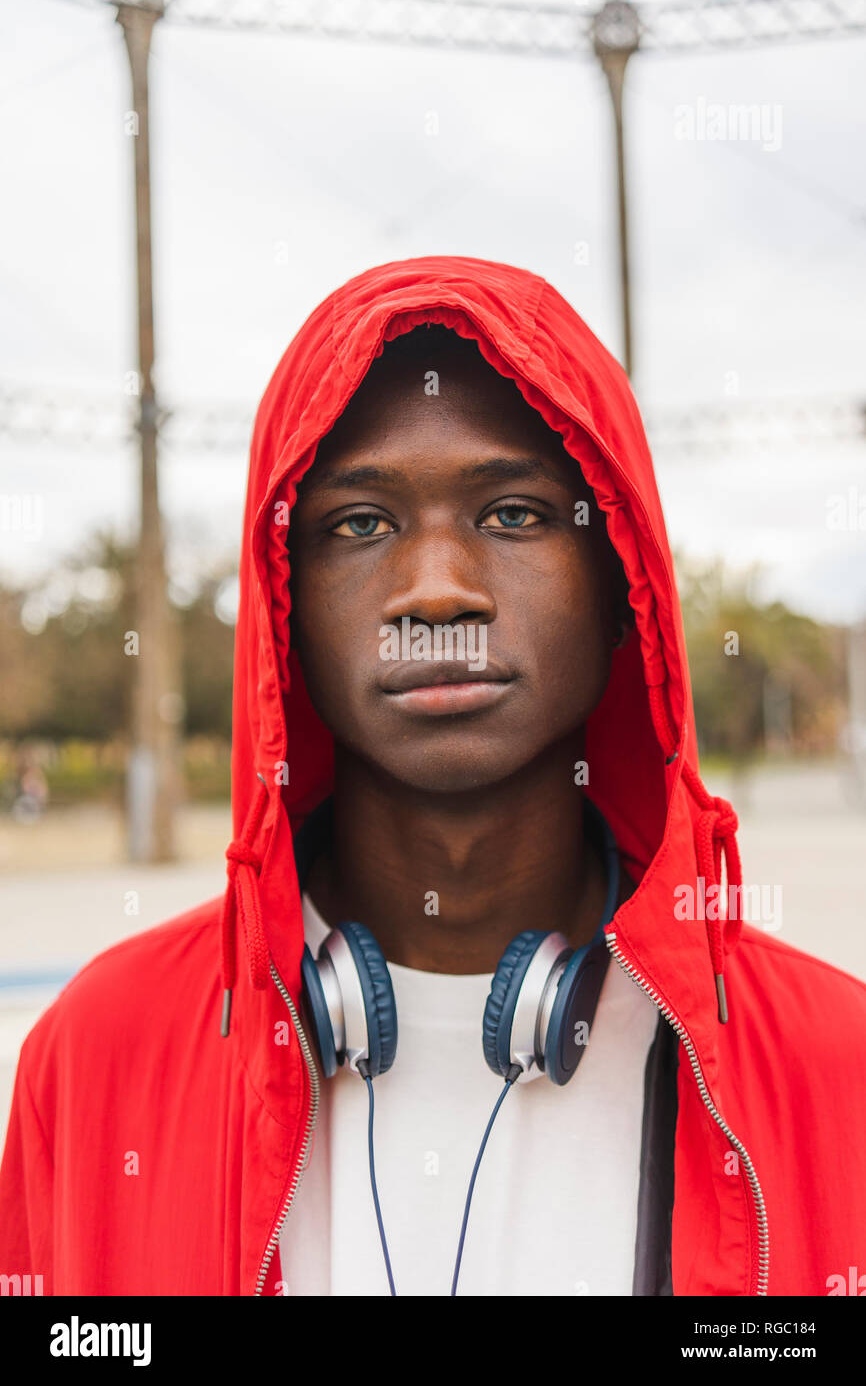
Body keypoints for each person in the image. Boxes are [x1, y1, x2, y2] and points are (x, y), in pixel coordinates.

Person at [1, 256, 864, 1297]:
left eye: (512, 514)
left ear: (616, 578)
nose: (438, 590)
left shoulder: (837, 1070)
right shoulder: (96, 1060)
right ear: (285, 604)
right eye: (359, 524)